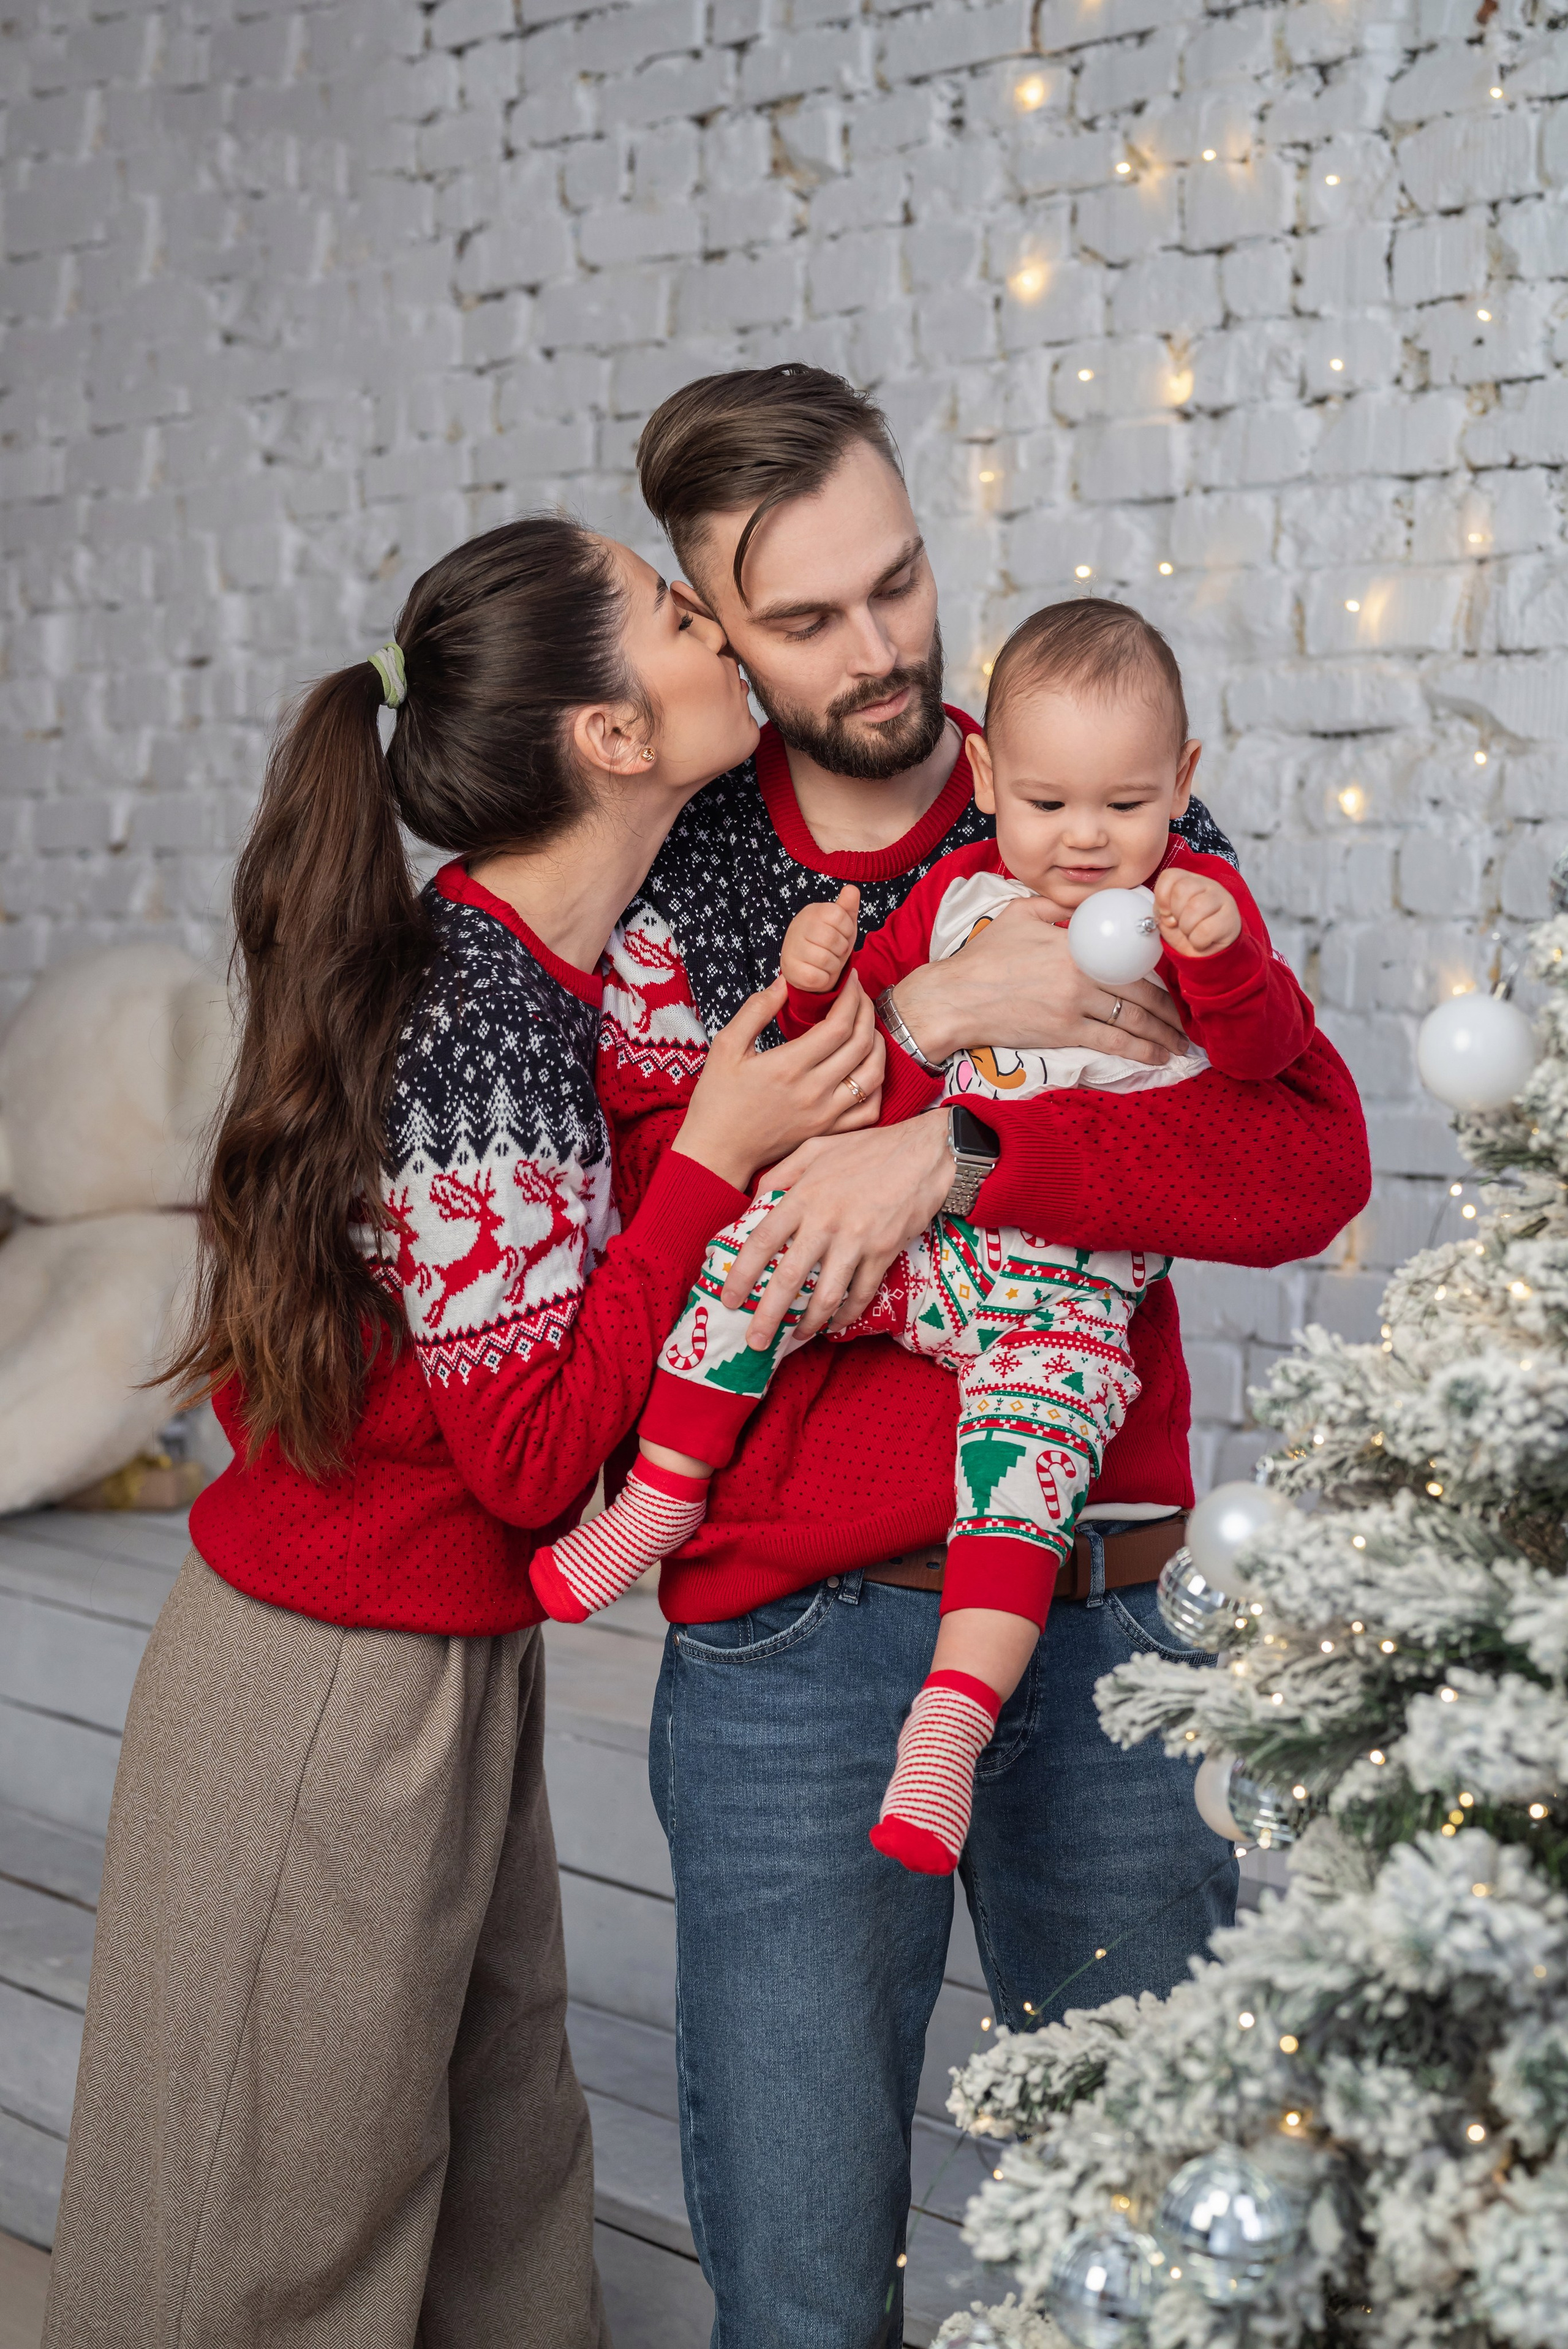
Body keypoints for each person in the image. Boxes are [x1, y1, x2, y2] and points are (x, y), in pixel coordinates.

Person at [587, 365, 1372, 2349]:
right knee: (799, 2270)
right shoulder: (680, 886)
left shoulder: (1088, 796)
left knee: (1172, 2244)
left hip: (1106, 1613)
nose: (880, 650)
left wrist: (965, 1145)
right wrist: (933, 1003)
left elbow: (1301, 1162)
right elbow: (662, 1258)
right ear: (710, 629)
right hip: (789, 1649)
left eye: (899, 581)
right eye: (804, 617)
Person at [41, 515, 883, 2349]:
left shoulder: (547, 962)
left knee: (499, 2177)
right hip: (329, 1685)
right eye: (682, 615)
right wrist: (720, 1163)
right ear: (611, 734)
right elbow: (524, 1456)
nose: (723, 628)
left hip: (429, 1647)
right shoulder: (481, 1013)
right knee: (262, 2233)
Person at [534, 595, 1316, 1882]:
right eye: (1050, 804)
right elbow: (835, 1052)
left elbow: (1274, 1076)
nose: (1084, 840)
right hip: (920, 1260)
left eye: (1123, 806)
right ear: (993, 778)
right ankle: (659, 1491)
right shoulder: (954, 895)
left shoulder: (1191, 904)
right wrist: (820, 970)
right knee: (761, 1257)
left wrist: (1223, 961)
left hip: (1063, 1286)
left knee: (1029, 1451)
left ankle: (949, 1723)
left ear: (1179, 784)